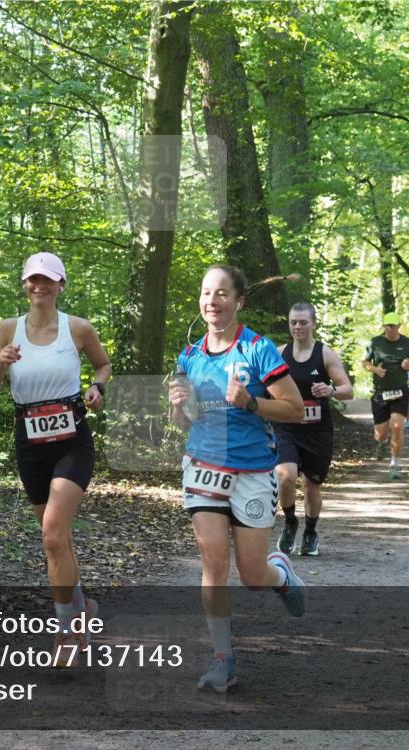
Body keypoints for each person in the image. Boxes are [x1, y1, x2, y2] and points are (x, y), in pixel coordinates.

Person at [168, 265, 307, 693]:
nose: (212, 301)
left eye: (222, 293)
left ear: (239, 301)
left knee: (251, 575)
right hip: (203, 467)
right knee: (213, 561)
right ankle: (222, 658)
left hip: (252, 471)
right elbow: (183, 422)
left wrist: (250, 402)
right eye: (206, 292)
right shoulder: (189, 356)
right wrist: (178, 405)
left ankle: (280, 574)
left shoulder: (258, 350)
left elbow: (295, 410)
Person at [0, 252, 111, 666]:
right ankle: (83, 606)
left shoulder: (78, 328)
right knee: (59, 539)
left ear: (60, 285)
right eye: (33, 280)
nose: (40, 286)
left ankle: (67, 632)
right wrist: (1, 366)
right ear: (24, 284)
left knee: (52, 535)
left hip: (72, 440)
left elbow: (103, 365)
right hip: (30, 442)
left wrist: (97, 388)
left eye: (48, 280)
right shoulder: (6, 330)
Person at [273, 302, 354, 558]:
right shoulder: (279, 354)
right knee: (285, 475)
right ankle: (289, 522)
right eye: (293, 322)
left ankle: (310, 531)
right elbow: (262, 385)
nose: (297, 327)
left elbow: (348, 390)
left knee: (311, 485)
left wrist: (330, 390)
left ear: (314, 324)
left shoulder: (325, 354)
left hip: (317, 432)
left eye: (303, 322)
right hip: (287, 428)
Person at [362, 312, 409, 480]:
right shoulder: (375, 342)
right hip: (380, 393)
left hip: (400, 391)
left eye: (393, 326)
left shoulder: (407, 343)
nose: (390, 329)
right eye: (387, 326)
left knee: (397, 426)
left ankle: (394, 465)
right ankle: (382, 442)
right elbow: (365, 362)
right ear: (384, 326)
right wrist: (375, 370)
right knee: (381, 434)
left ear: (399, 326)